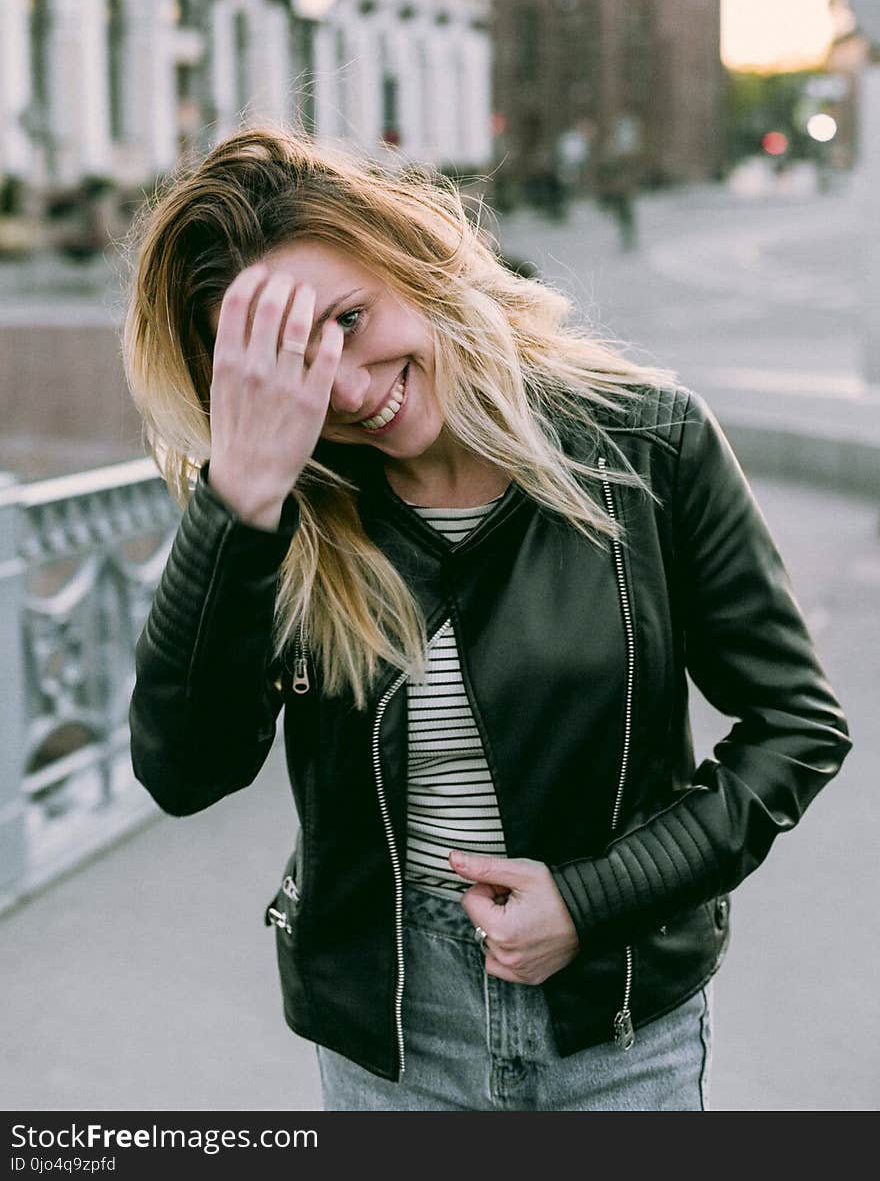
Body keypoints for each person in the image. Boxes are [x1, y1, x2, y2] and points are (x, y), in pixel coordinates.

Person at [122, 125, 850, 1112]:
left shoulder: (649, 443)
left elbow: (797, 727)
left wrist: (589, 900)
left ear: (411, 261)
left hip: (617, 1016)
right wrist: (239, 500)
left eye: (345, 317)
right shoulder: (281, 511)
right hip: (391, 1036)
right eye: (288, 365)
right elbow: (185, 771)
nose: (342, 386)